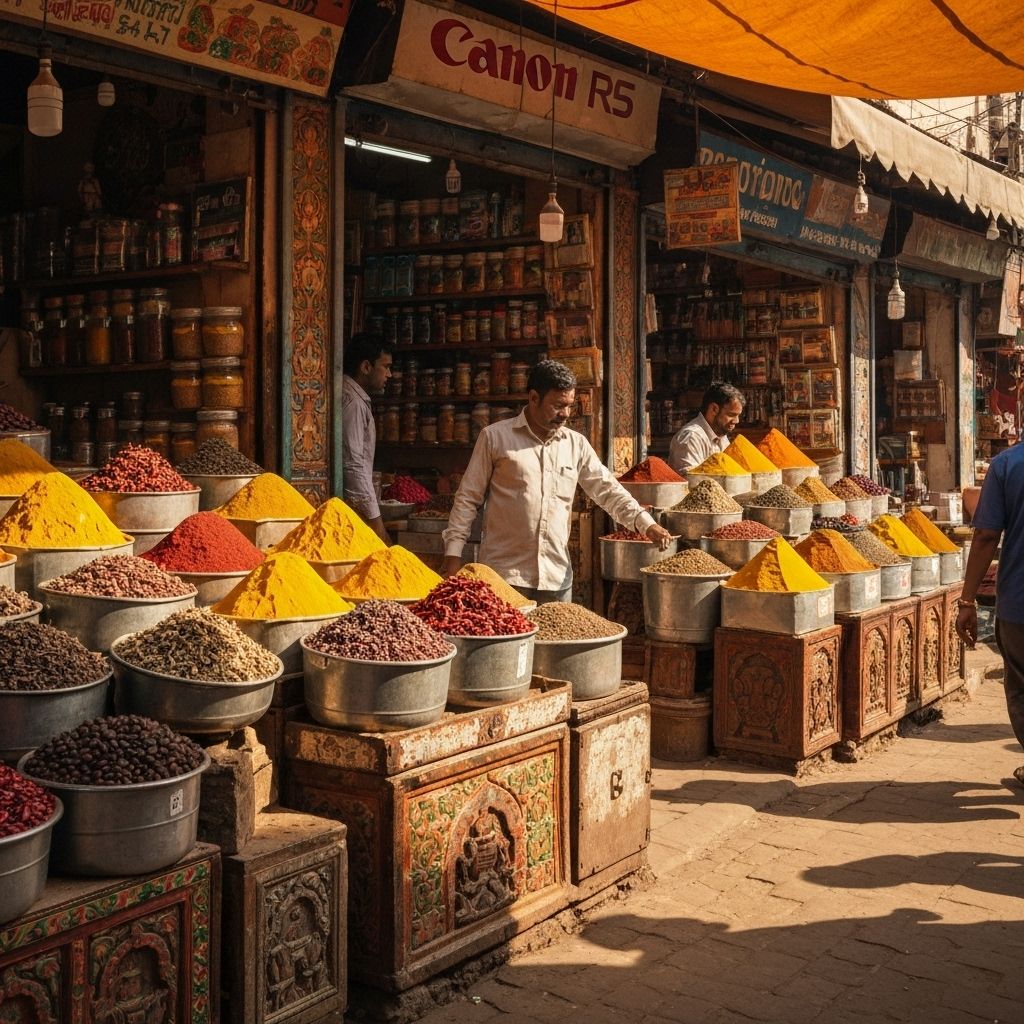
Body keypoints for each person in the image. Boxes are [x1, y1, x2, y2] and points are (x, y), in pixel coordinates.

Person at [441, 359, 673, 603]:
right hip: (504, 576)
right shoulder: (495, 438)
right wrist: (453, 555)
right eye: (557, 406)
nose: (565, 414)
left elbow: (608, 489)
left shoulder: (576, 444)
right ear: (533, 398)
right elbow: (467, 498)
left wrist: (646, 524)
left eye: (569, 406)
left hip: (555, 578)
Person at [955, 443, 1024, 787]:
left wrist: (967, 600)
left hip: (1019, 603)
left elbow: (985, 536)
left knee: (1021, 685)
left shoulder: (1008, 464)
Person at [341, 332, 392, 544]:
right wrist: (376, 522)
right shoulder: (353, 403)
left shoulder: (354, 397)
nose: (389, 374)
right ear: (366, 367)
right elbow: (353, 465)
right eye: (385, 367)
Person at [667, 381, 745, 474]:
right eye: (731, 415)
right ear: (714, 409)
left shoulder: (722, 436)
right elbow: (691, 479)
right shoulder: (691, 437)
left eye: (738, 415)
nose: (736, 421)